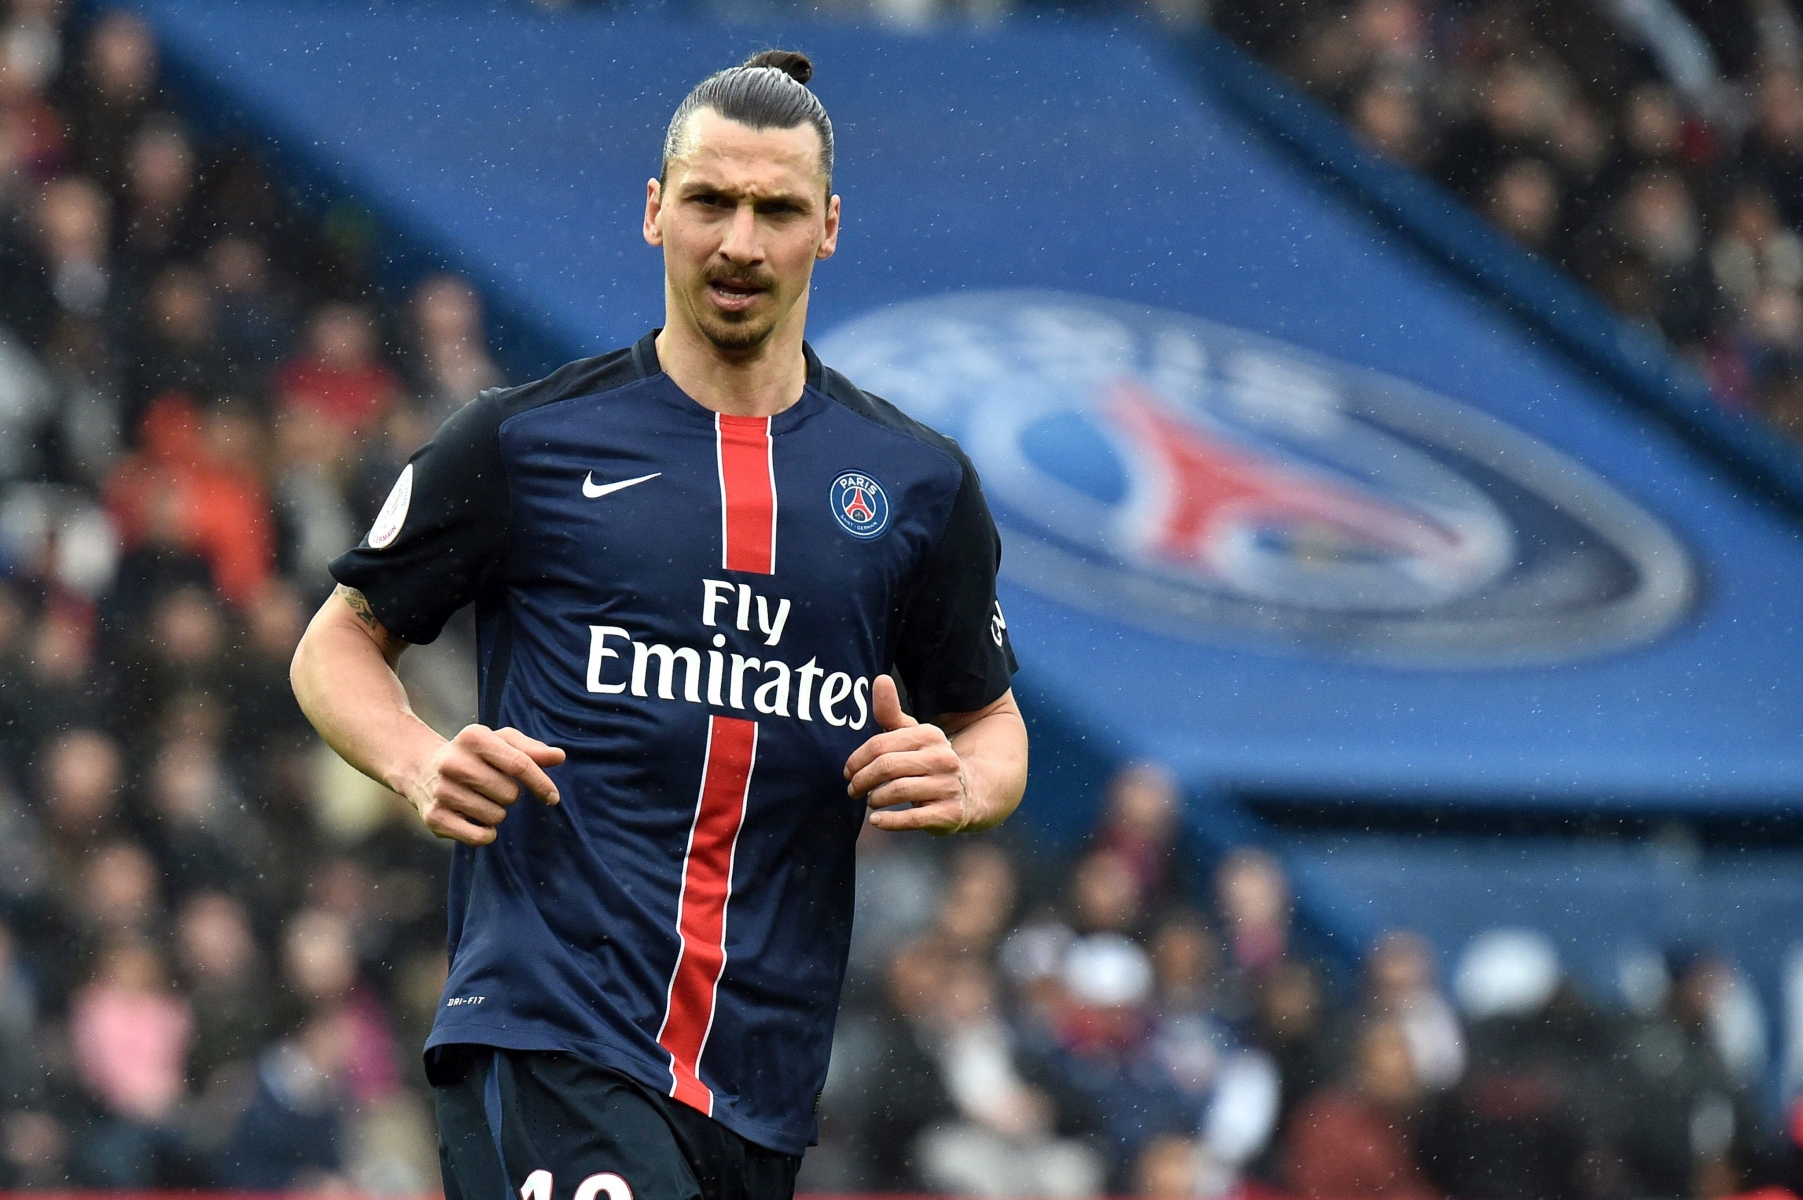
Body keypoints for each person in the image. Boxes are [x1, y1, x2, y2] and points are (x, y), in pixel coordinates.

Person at [289, 49, 1027, 1200]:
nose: (740, 241)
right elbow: (336, 641)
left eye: (777, 208)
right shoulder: (523, 443)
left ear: (828, 227)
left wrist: (968, 781)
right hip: (551, 1034)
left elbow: (991, 721)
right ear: (653, 212)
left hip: (765, 1085)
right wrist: (420, 762)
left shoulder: (914, 486)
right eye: (710, 202)